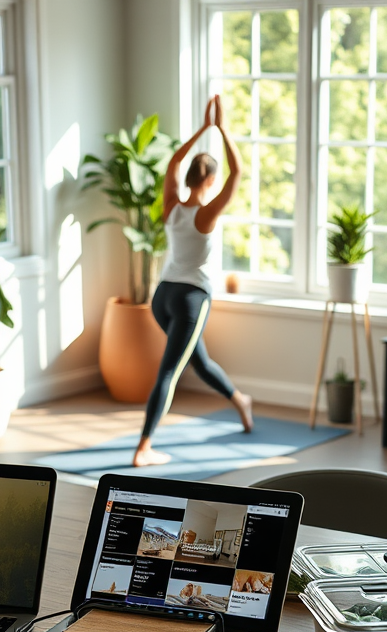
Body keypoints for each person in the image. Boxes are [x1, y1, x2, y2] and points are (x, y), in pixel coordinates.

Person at [132, 95, 253, 468]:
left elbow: (173, 161)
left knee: (197, 361)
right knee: (169, 371)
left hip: (162, 297)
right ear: (211, 180)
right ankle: (144, 447)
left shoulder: (173, 206)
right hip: (191, 300)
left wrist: (202, 130)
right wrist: (221, 129)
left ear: (186, 178)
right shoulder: (207, 213)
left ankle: (239, 401)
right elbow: (239, 172)